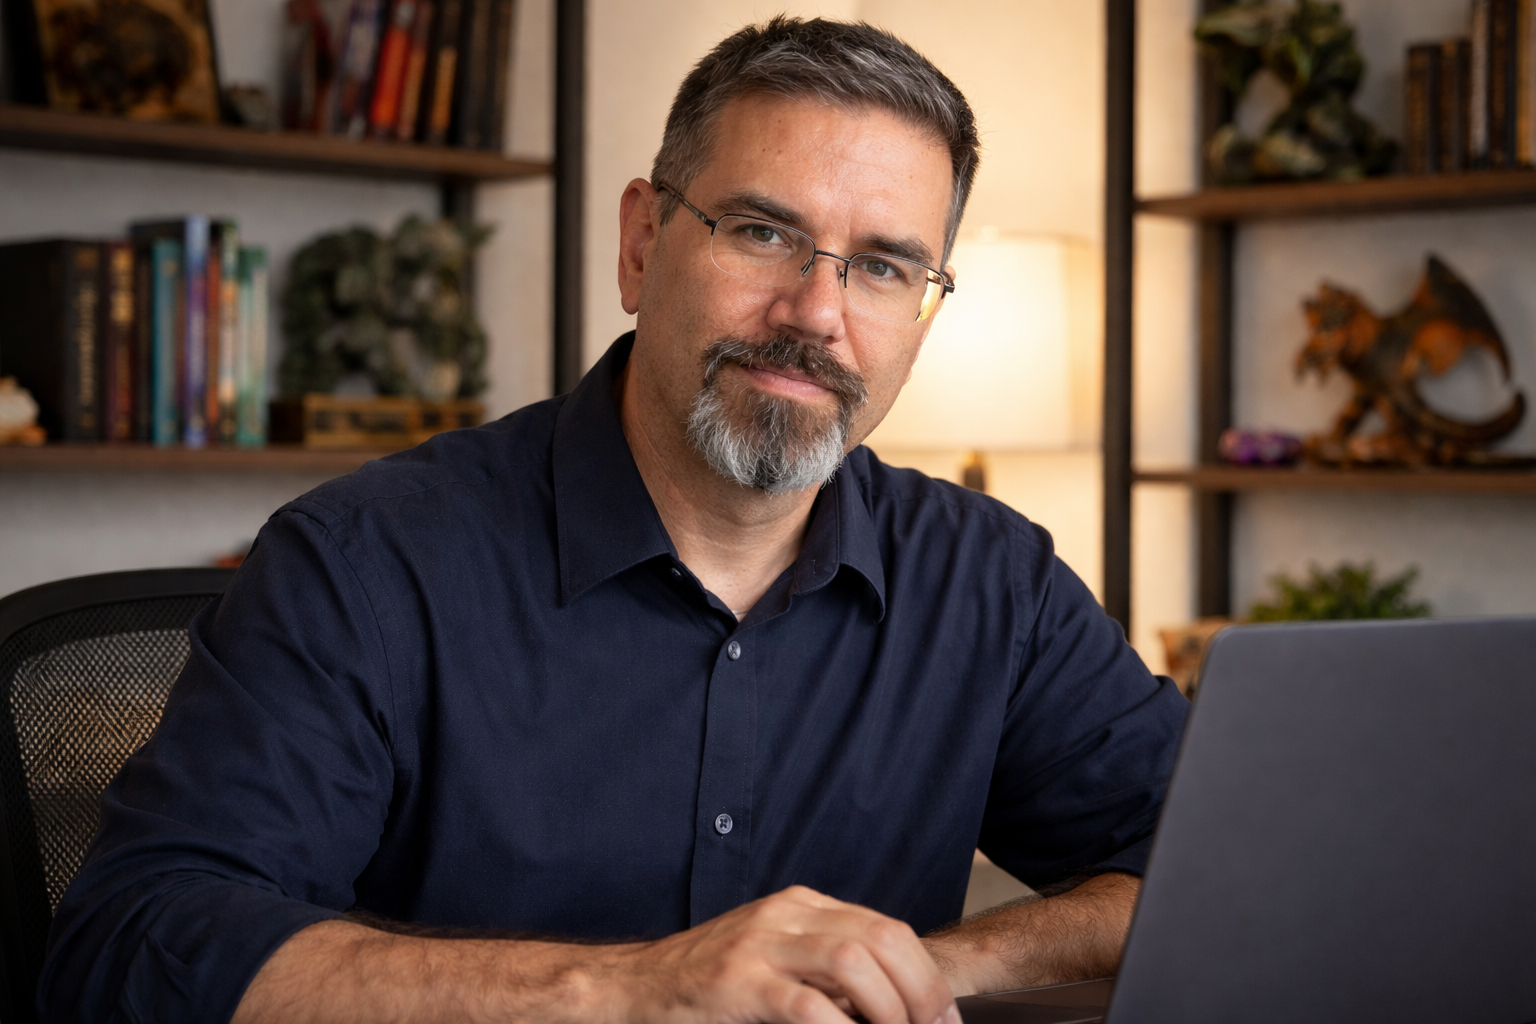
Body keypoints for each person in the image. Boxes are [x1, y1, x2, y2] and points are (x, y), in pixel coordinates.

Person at [42, 17, 1187, 1024]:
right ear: (642, 243)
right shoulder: (366, 562)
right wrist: (634, 990)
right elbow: (136, 949)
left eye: (885, 267)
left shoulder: (993, 580)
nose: (817, 313)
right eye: (761, 231)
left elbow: (1214, 863)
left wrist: (931, 965)